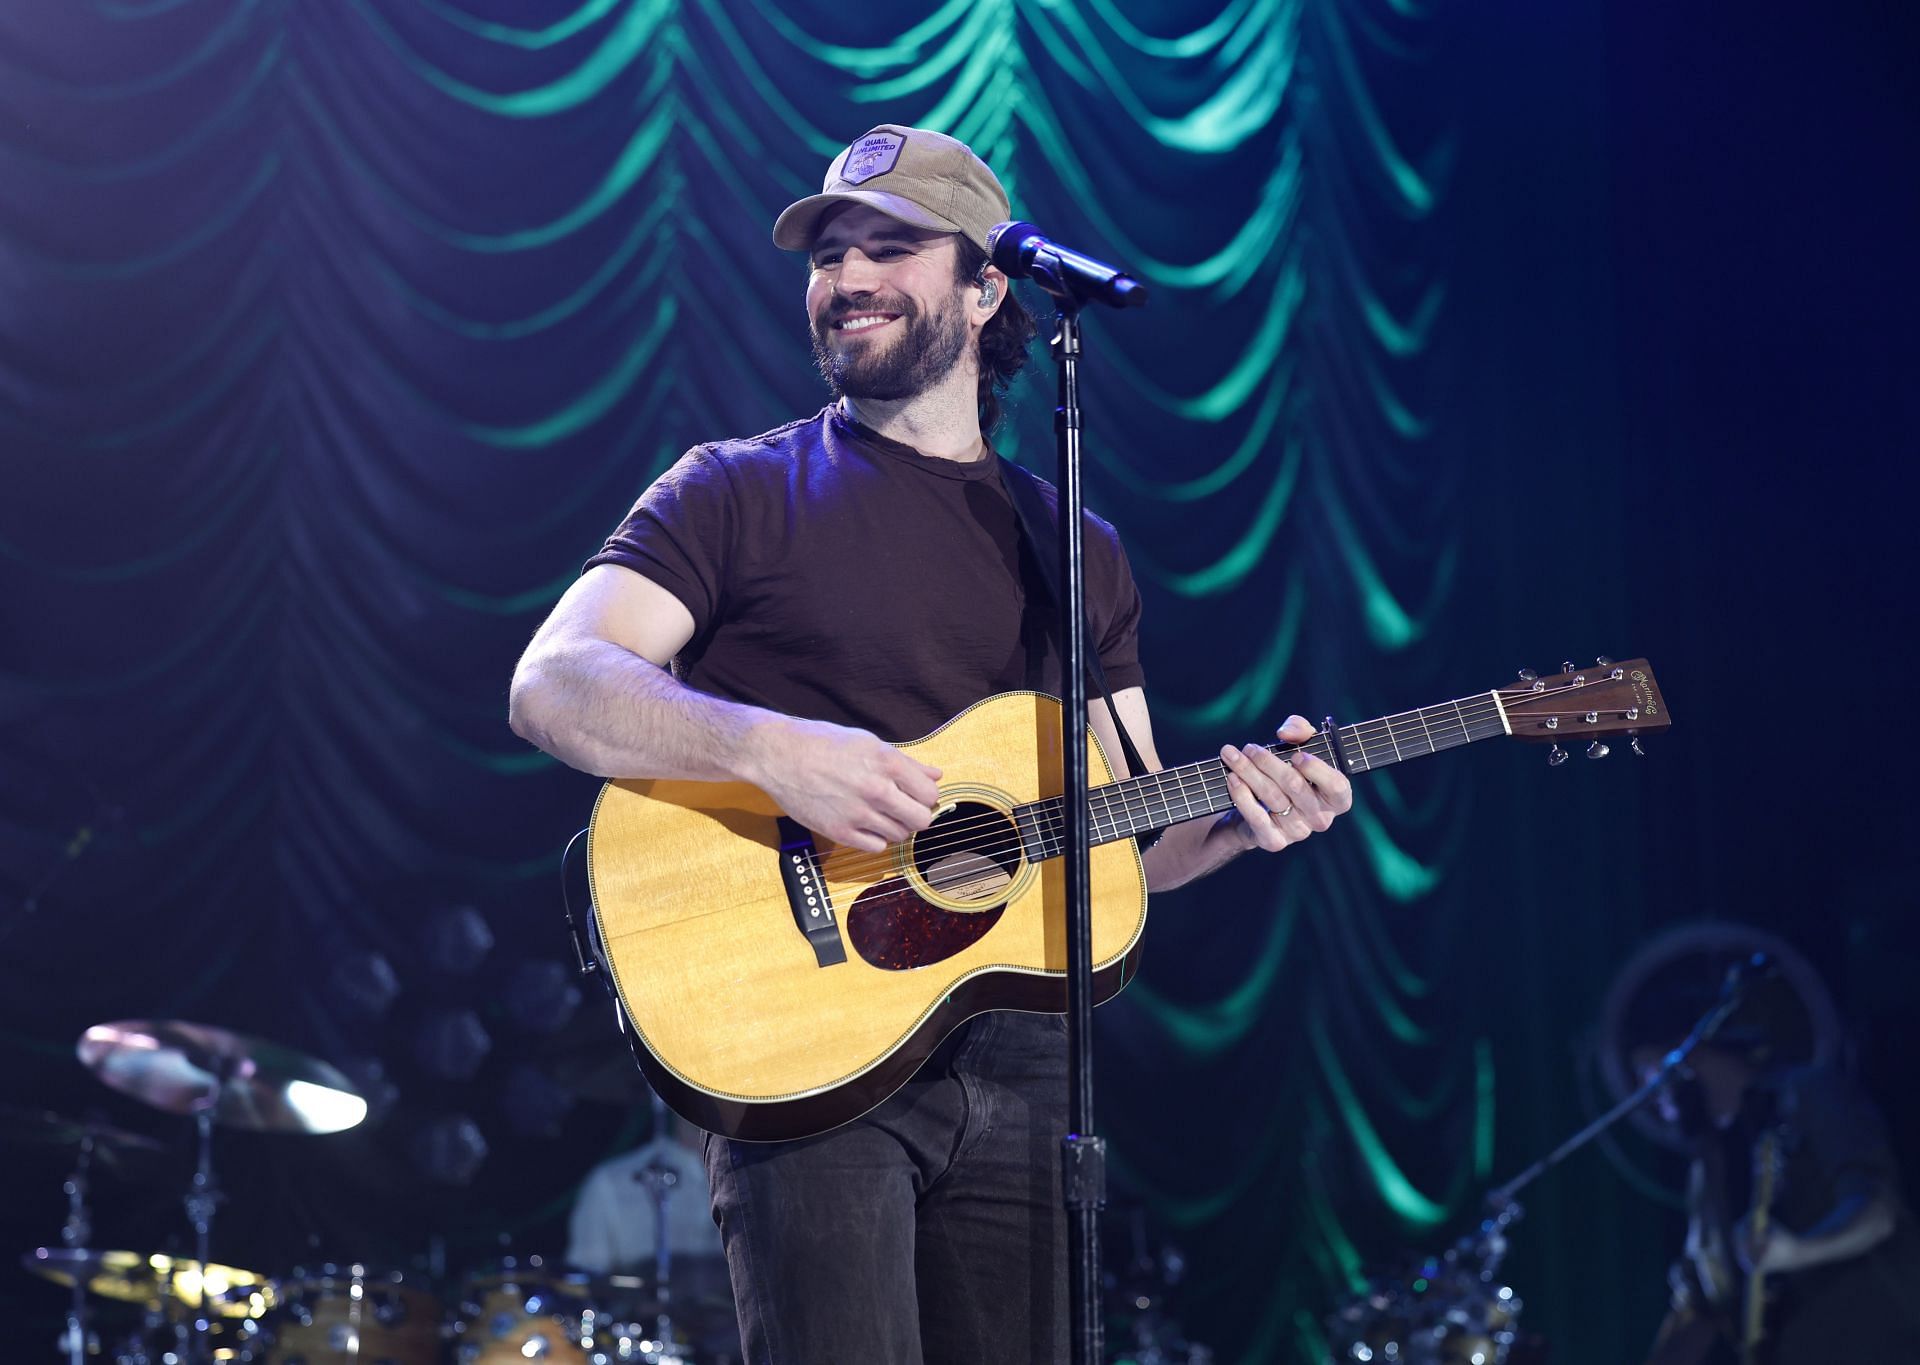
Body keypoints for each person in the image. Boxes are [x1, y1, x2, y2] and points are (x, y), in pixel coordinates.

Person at [509, 122, 1353, 1364]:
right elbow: (555, 684)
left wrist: (1235, 823)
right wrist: (770, 748)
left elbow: (1126, 835)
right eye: (828, 254)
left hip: (1026, 1061)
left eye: (889, 247)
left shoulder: (1077, 547)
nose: (846, 278)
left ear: (987, 285)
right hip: (803, 1048)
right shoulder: (733, 491)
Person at [1635, 1038, 1920, 1365]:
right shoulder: (1706, 1170)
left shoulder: (1808, 1092)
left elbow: (1878, 1213)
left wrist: (1797, 1251)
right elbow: (1701, 1306)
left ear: (1692, 1054)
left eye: (1648, 1074)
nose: (1649, 1100)